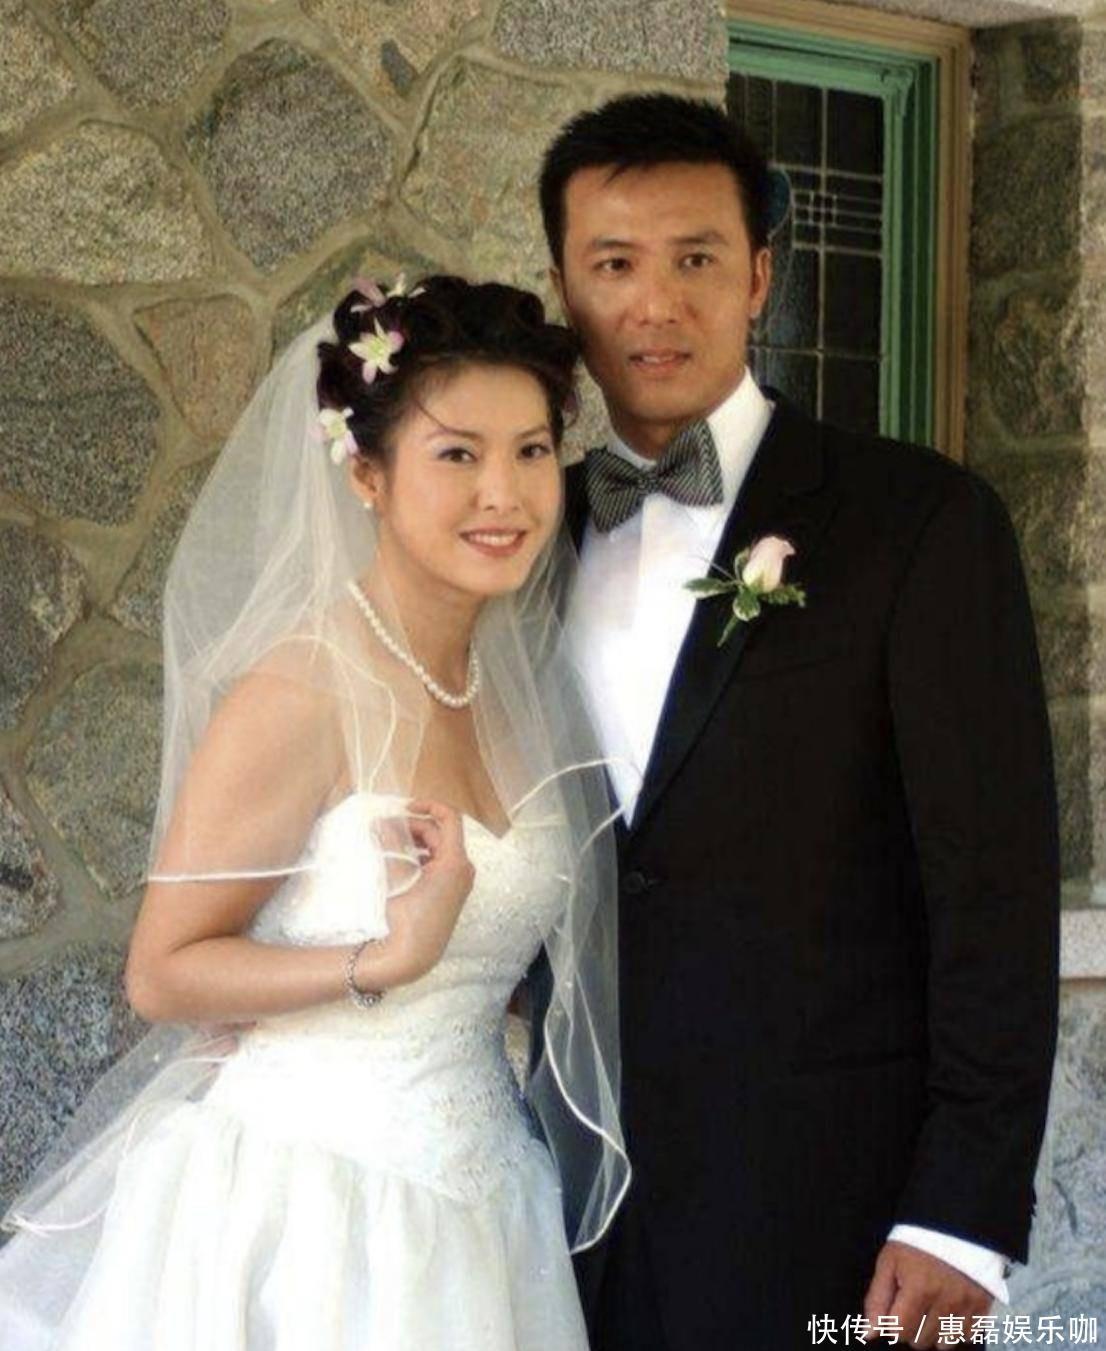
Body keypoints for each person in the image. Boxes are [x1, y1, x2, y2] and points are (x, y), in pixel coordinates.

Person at [0, 275, 630, 1349]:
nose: (505, 492)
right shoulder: (300, 690)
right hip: (313, 1213)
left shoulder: (516, 693)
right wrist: (382, 959)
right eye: (457, 454)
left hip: (487, 1208)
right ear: (366, 473)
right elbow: (162, 971)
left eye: (531, 450)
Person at [539, 93, 1060, 1350]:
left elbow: (991, 887)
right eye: (613, 265)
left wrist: (958, 1215)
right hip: (561, 1206)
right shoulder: (519, 539)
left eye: (695, 259)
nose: (655, 305)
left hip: (830, 1202)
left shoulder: (917, 522)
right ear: (562, 288)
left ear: (760, 275)